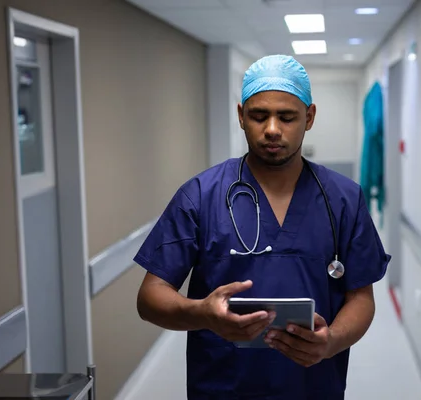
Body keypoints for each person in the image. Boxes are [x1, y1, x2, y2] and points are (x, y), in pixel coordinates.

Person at [134, 54, 391, 400]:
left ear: (309, 117)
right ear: (241, 116)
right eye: (258, 116)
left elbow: (361, 298)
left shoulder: (343, 200)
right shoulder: (200, 196)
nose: (272, 129)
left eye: (286, 117)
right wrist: (203, 314)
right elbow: (150, 297)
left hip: (313, 387)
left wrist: (331, 342)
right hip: (221, 387)